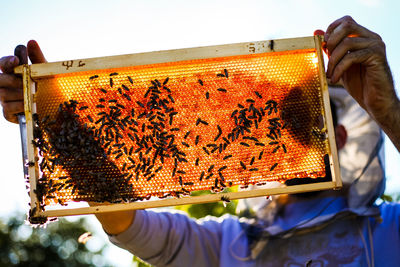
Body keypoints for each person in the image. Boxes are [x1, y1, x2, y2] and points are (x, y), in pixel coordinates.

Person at [1, 16, 399, 266]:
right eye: (269, 119)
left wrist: (390, 113)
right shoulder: (226, 244)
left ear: (339, 134)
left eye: (300, 121)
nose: (278, 130)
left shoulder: (390, 230)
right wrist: (53, 113)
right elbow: (129, 223)